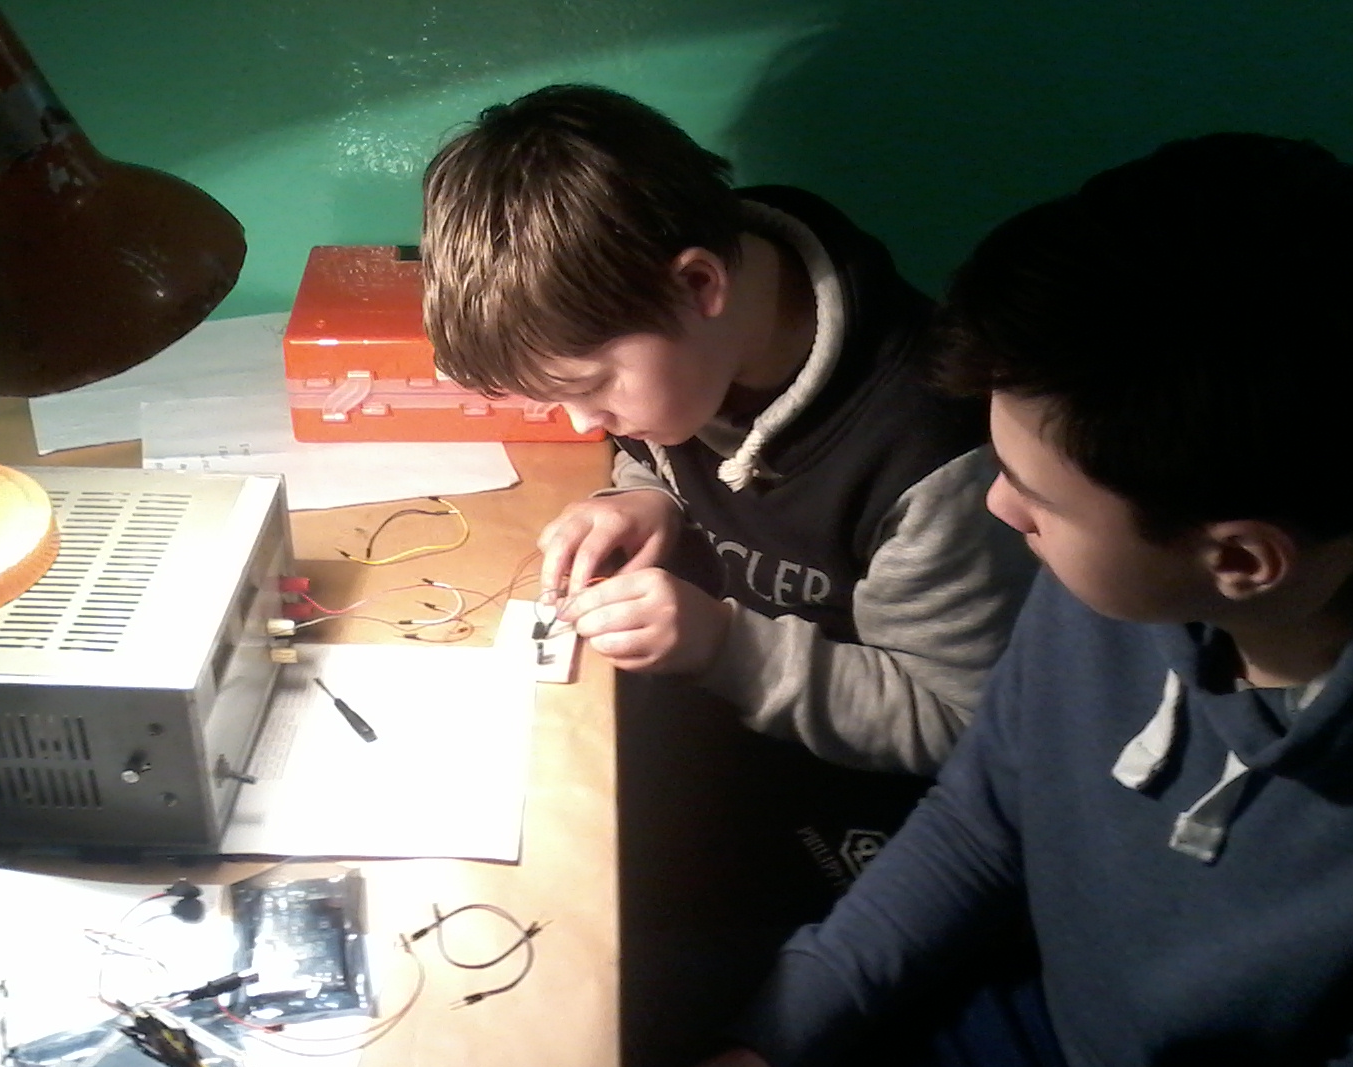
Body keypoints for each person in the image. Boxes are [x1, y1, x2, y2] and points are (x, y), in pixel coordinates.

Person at [630, 132, 1353, 1067]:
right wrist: (768, 1048)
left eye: (1039, 500)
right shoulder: (1127, 574)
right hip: (1008, 1035)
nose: (1000, 508)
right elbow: (981, 820)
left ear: (1238, 560)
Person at [420, 84, 1034, 787]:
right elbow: (668, 456)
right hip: (699, 716)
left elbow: (954, 722)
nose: (585, 424)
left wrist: (723, 646)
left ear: (698, 285)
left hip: (845, 789)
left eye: (590, 386)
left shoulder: (934, 458)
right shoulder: (687, 338)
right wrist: (647, 496)